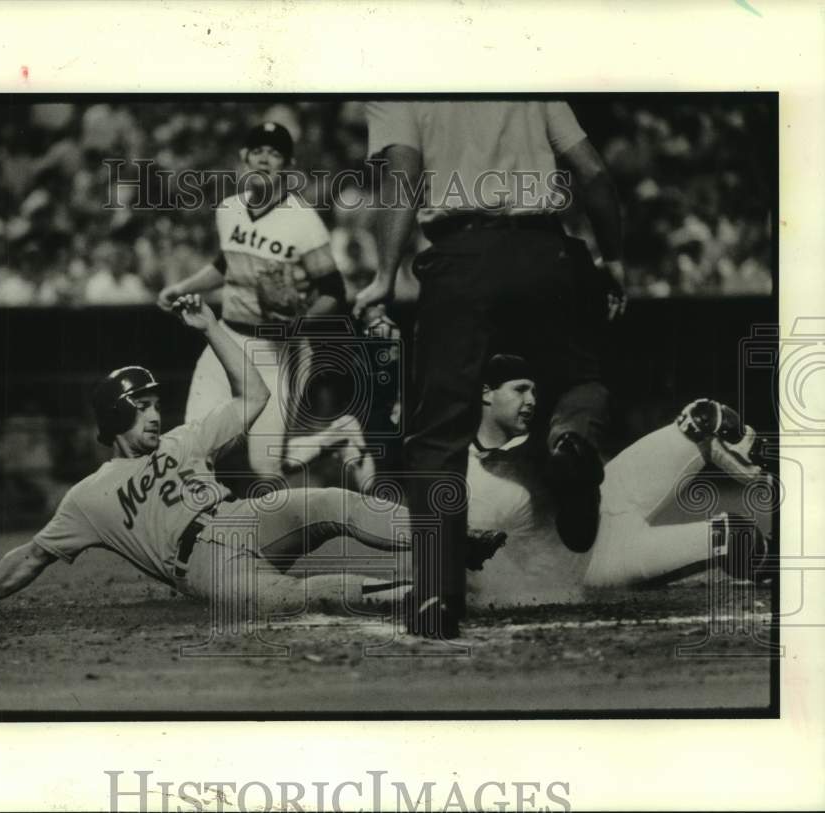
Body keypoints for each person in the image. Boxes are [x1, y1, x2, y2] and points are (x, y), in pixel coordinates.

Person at [0, 296, 416, 618]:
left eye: (155, 404)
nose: (155, 414)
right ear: (116, 415)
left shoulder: (183, 440)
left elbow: (253, 397)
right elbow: (30, 558)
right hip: (203, 566)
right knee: (294, 598)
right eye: (142, 407)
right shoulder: (87, 498)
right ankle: (406, 595)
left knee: (329, 500)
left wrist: (211, 327)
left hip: (243, 516)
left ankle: (443, 540)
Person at [356, 100, 626, 637]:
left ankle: (436, 593)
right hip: (544, 250)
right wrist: (613, 256)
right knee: (577, 380)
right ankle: (571, 442)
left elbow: (404, 173)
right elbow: (591, 168)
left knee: (439, 434)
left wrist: (384, 274)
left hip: (461, 259)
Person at [464, 354, 773, 608]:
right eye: (519, 390)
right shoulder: (465, 473)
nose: (531, 400)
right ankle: (775, 562)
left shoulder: (539, 432)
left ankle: (798, 491)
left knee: (707, 420)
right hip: (593, 560)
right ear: (486, 393)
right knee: (738, 537)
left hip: (609, 494)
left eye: (533, 390)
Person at [157, 122, 346, 481]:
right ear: (244, 158)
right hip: (225, 336)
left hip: (276, 349)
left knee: (265, 466)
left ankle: (333, 440)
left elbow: (335, 293)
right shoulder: (229, 208)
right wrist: (181, 287)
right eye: (258, 150)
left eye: (274, 153)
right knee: (193, 448)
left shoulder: (305, 222)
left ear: (287, 167)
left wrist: (299, 322)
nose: (264, 159)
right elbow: (225, 264)